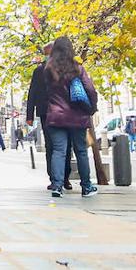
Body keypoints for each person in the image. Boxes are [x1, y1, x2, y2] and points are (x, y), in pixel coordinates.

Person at [43, 37, 99, 198]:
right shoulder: (77, 68)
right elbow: (90, 90)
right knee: (81, 151)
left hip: (56, 116)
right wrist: (92, 108)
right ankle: (86, 186)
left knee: (59, 151)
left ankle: (57, 186)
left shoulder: (48, 70)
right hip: (77, 116)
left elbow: (47, 93)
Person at [27, 44, 73, 191]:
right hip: (45, 112)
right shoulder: (39, 71)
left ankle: (64, 177)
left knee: (65, 146)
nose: (47, 57)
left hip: (64, 112)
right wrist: (30, 115)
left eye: (49, 54)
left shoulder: (64, 69)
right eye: (45, 54)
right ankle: (54, 177)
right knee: (51, 146)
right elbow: (32, 93)